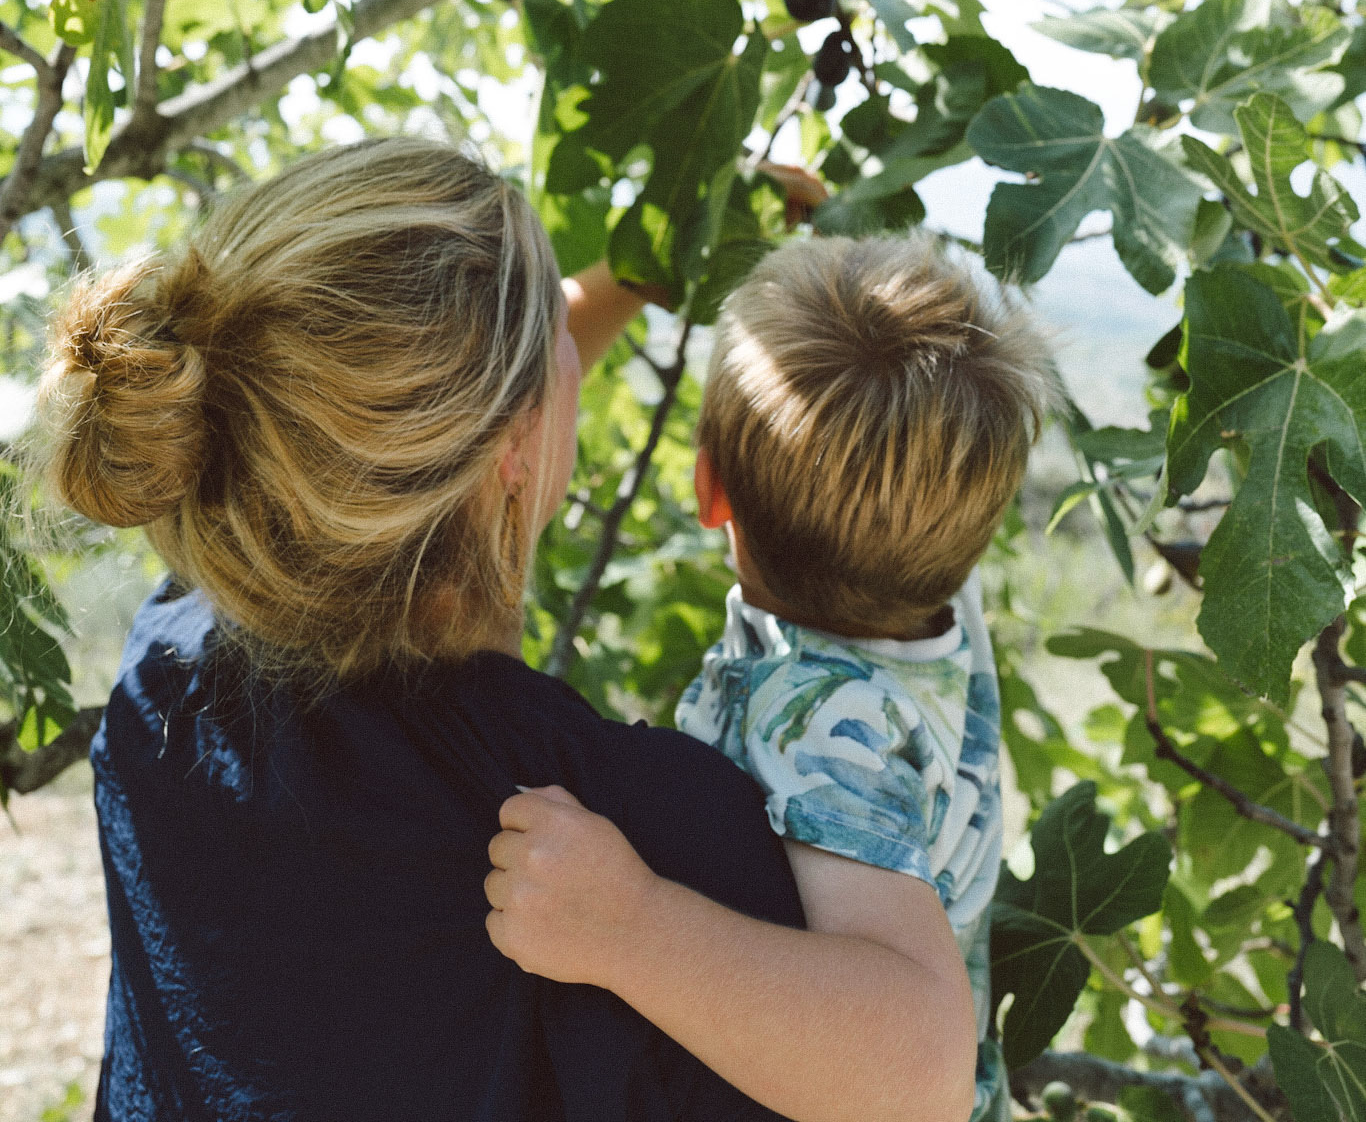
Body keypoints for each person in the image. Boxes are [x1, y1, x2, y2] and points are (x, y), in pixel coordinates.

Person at [38, 140, 977, 1122]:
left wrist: (625, 274)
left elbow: (399, 413)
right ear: (516, 447)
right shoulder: (632, 839)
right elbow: (916, 1084)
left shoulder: (166, 673)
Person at [482, 234, 1055, 1122]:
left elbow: (918, 1071)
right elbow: (903, 409)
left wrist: (629, 926)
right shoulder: (935, 587)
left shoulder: (824, 724)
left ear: (708, 488)